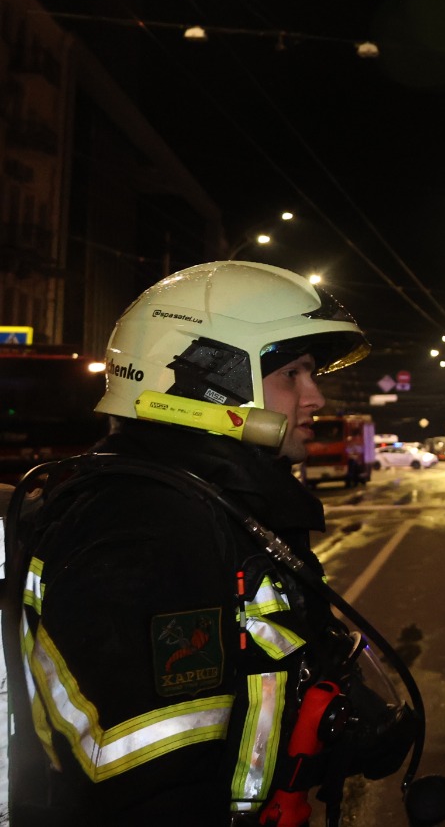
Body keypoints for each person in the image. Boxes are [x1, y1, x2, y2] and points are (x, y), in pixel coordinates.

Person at [4, 260, 417, 823]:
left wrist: (349, 729)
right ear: (208, 377)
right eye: (293, 373)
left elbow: (255, 685)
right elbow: (147, 783)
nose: (315, 398)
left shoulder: (221, 506)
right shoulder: (150, 528)